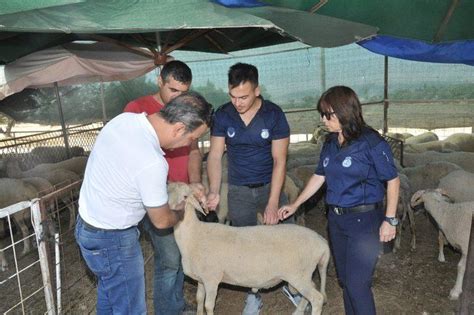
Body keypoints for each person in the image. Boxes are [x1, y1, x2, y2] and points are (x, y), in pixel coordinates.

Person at [75, 92, 213, 315]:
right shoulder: (153, 162)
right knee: (131, 309)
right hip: (113, 240)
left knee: (110, 294)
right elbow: (160, 221)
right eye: (191, 139)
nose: (188, 145)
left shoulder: (123, 120)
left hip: (86, 226)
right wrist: (179, 212)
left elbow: (130, 173)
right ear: (178, 128)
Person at [278, 86, 400, 315]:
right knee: (345, 279)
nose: (323, 120)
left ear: (345, 112)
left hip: (364, 220)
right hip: (336, 219)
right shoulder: (330, 142)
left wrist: (390, 219)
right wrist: (296, 204)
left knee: (358, 284)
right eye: (322, 114)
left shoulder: (371, 142)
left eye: (328, 114)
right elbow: (319, 175)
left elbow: (392, 180)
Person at [206, 62, 291, 314]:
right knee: (244, 243)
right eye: (232, 96)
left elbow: (280, 160)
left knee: (283, 237)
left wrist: (273, 202)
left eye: (243, 96)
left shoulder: (274, 114)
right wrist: (213, 189)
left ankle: (290, 280)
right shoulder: (223, 114)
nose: (238, 102)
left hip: (269, 186)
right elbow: (214, 156)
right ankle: (254, 293)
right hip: (239, 189)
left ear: (257, 90)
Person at [124, 60, 202, 315]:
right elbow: (129, 154)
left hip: (181, 194)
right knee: (169, 256)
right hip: (154, 197)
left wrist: (194, 184)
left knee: (180, 252)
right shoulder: (137, 109)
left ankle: (175, 303)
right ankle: (168, 310)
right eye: (174, 90)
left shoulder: (187, 110)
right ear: (160, 81)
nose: (179, 98)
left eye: (184, 91)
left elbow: (193, 151)